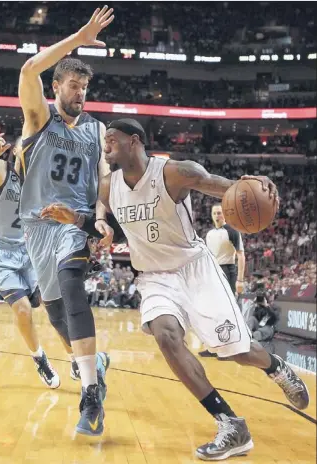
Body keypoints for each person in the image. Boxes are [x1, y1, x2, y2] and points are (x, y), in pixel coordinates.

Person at [41, 118, 309, 461]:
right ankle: (230, 423)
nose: (105, 144)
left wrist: (257, 185)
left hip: (194, 270)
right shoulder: (108, 186)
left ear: (134, 141)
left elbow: (226, 189)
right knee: (166, 337)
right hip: (154, 276)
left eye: (112, 138)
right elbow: (110, 226)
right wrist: (85, 221)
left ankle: (275, 367)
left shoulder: (174, 172)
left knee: (237, 352)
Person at [18, 6, 114, 435]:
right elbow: (27, 68)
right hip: (37, 228)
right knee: (55, 314)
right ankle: (94, 361)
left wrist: (100, 217)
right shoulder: (39, 119)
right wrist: (79, 36)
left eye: (85, 86)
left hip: (73, 225)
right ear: (56, 87)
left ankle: (91, 396)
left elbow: (104, 177)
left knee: (73, 286)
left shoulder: (97, 130)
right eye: (73, 84)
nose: (80, 92)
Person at [0, 134, 60, 388]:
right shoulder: (0, 169)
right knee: (24, 309)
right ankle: (39, 358)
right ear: (15, 151)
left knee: (46, 303)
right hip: (0, 255)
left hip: (28, 253)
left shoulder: (41, 186)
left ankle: (77, 357)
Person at [199, 203, 246, 357]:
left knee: (227, 311)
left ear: (224, 214)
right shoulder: (210, 233)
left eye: (219, 213)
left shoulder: (232, 231)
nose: (217, 216)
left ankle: (231, 349)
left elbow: (241, 255)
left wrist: (240, 280)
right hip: (213, 272)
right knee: (212, 310)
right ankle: (214, 347)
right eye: (215, 213)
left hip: (227, 270)